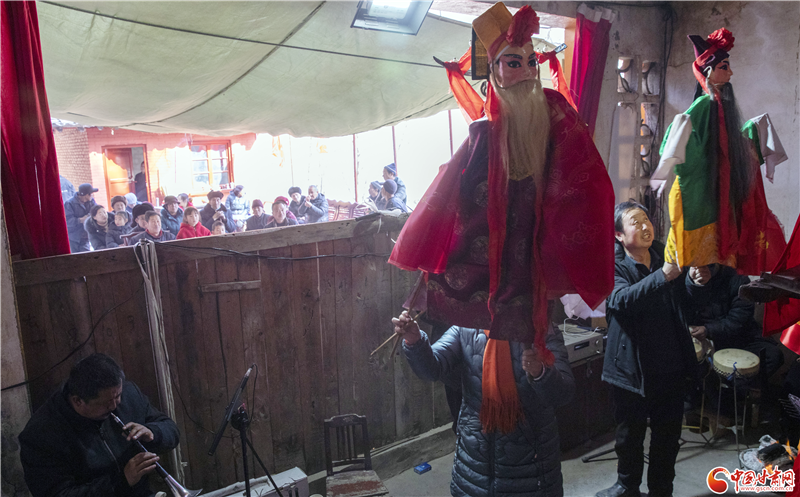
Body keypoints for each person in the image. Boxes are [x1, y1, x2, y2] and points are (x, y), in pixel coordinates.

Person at [388, 3, 614, 353]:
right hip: (494, 221)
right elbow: (455, 186)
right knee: (470, 258)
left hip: (541, 220)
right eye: (513, 63)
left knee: (533, 290)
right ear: (494, 70)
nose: (526, 71)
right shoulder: (484, 130)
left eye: (531, 62)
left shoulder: (555, 111)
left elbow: (584, 171)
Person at [395, 309, 574, 496]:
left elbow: (564, 393)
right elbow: (432, 369)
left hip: (531, 469)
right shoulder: (466, 328)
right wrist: (415, 341)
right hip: (473, 466)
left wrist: (541, 372)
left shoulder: (543, 331)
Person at [652, 27, 785, 275]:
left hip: (717, 188)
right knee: (683, 264)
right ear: (708, 71)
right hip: (699, 191)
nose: (730, 72)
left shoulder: (721, 104)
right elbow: (682, 129)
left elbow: (726, 146)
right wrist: (668, 162)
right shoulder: (704, 104)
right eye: (725, 67)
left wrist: (752, 135)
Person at [597, 201, 695, 497]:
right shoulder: (613, 267)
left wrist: (694, 281)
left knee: (667, 436)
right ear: (618, 235)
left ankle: (661, 490)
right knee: (629, 435)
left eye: (646, 220)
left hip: (670, 366)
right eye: (635, 222)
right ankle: (627, 486)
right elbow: (621, 300)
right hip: (630, 369)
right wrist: (663, 275)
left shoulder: (668, 256)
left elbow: (688, 302)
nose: (644, 226)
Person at [19, 353, 180, 497]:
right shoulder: (40, 435)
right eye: (106, 402)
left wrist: (153, 433)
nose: (115, 406)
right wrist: (121, 481)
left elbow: (171, 429)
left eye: (118, 396)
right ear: (78, 401)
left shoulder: (128, 394)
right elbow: (59, 493)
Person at [684, 263, 784, 380]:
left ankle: (735, 386)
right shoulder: (682, 275)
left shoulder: (737, 277)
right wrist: (692, 285)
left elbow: (739, 319)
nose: (703, 269)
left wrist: (708, 330)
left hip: (737, 338)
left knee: (773, 355)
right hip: (698, 340)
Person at [64, 183, 99, 253]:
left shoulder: (91, 202)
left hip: (85, 237)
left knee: (86, 256)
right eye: (91, 194)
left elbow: (97, 211)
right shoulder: (69, 204)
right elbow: (66, 221)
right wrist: (80, 220)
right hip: (73, 238)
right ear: (86, 195)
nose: (92, 196)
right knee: (74, 257)